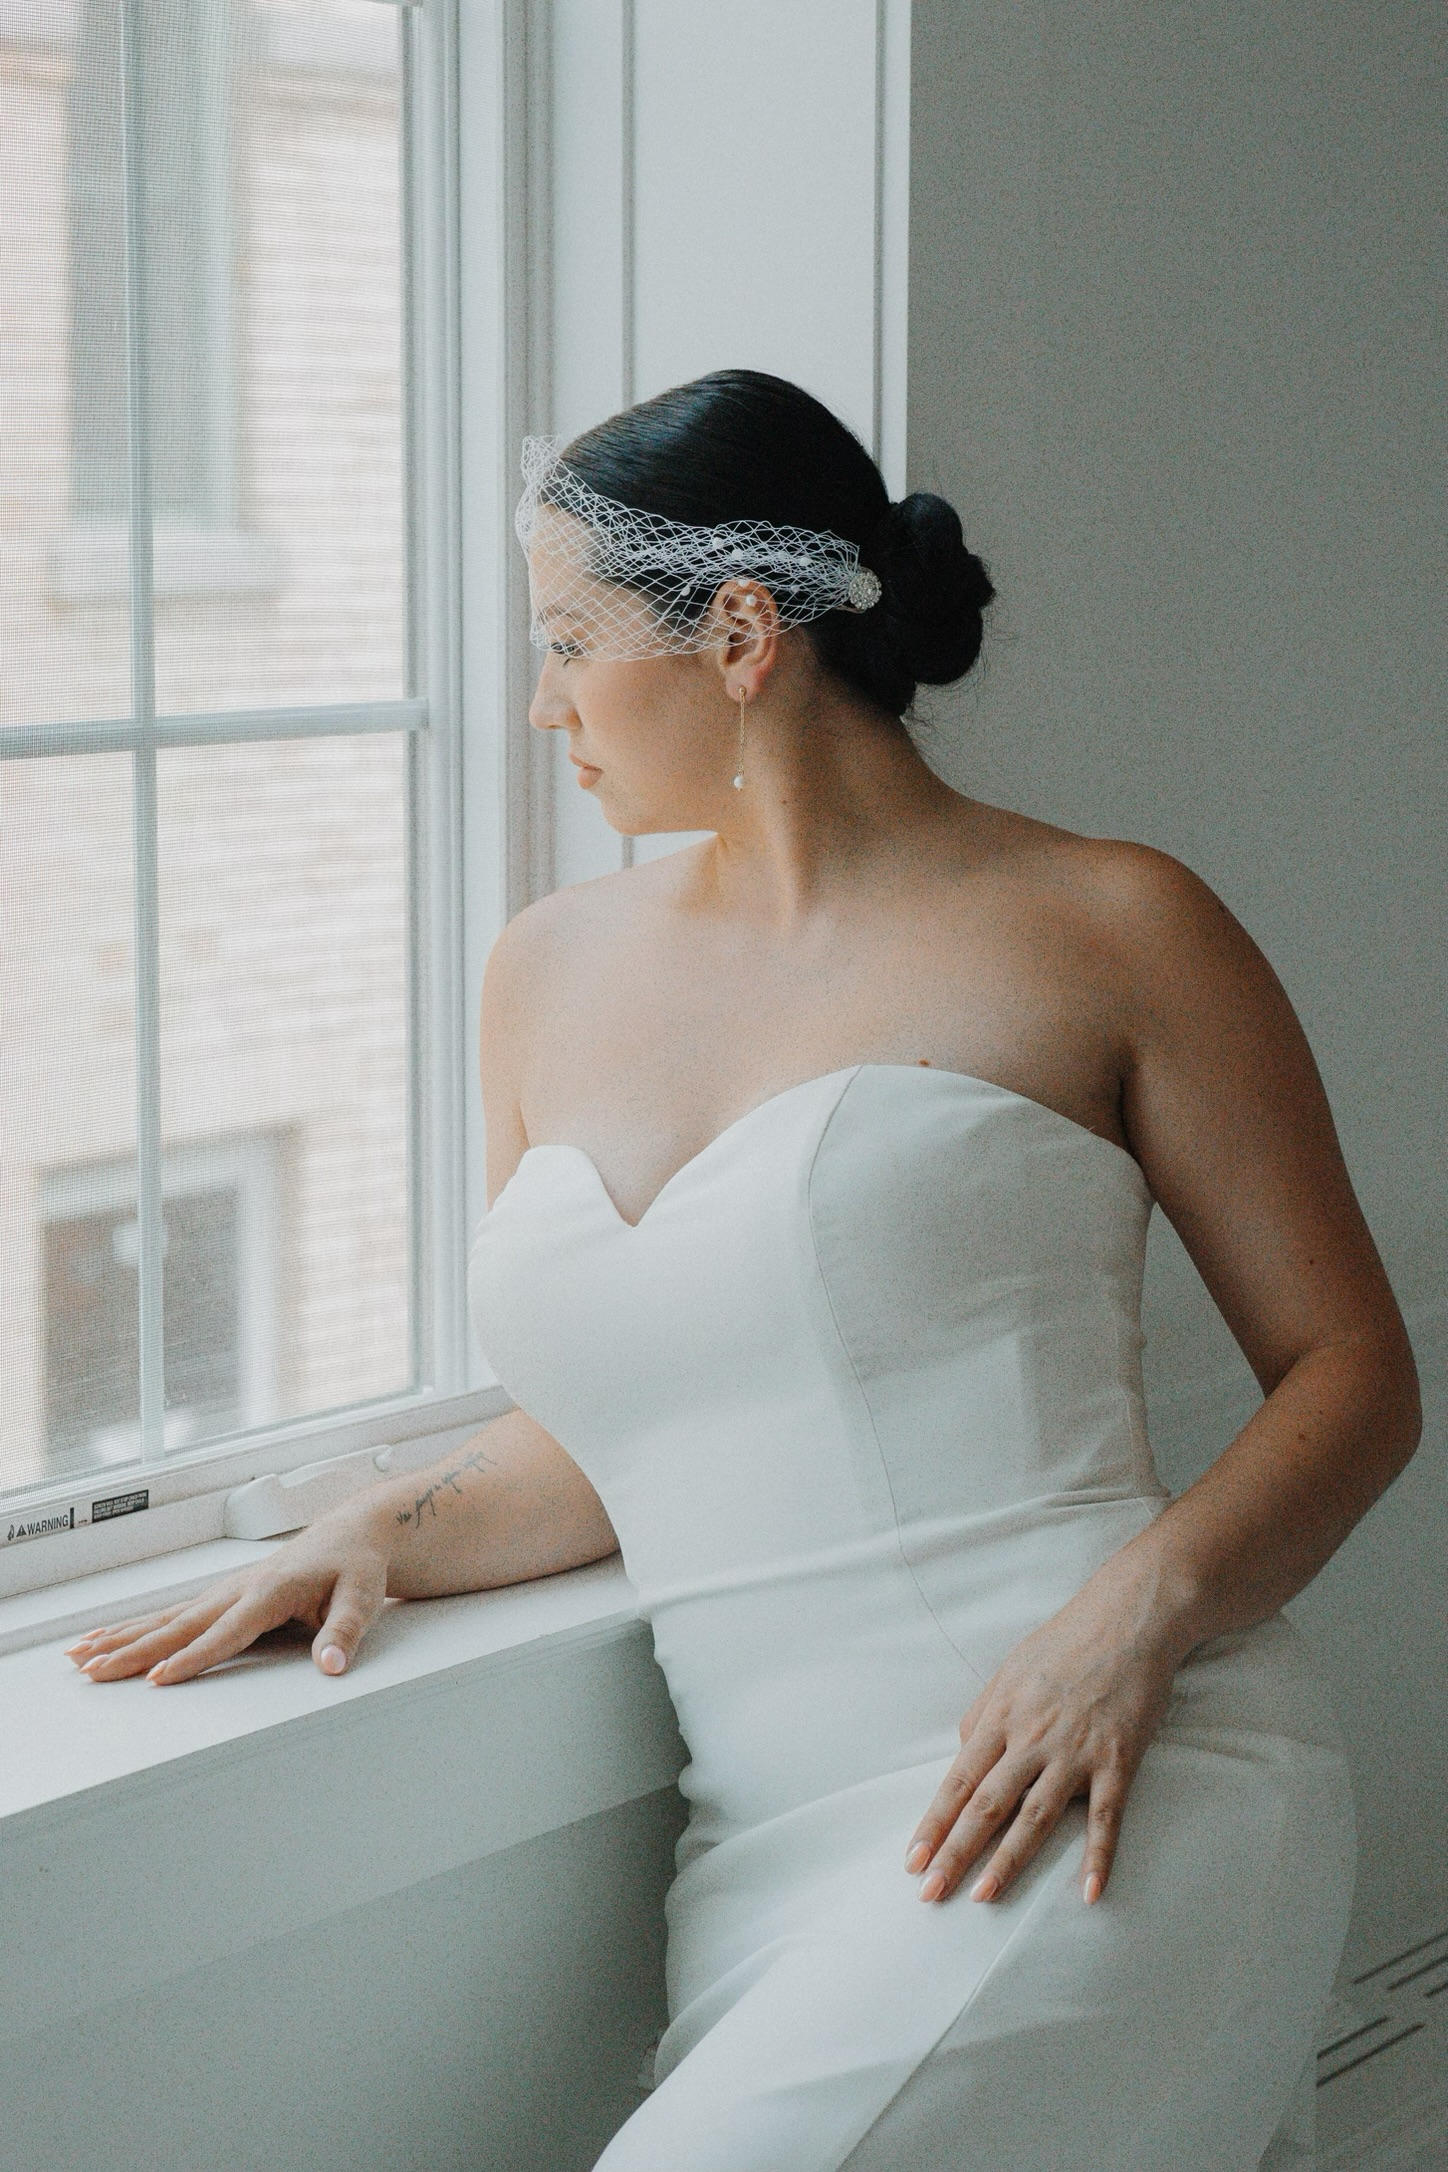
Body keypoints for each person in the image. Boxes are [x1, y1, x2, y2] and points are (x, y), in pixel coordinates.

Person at [69, 371, 1420, 2170]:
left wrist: (1131, 1621)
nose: (542, 704)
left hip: (1111, 1774)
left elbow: (1355, 1374)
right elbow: (616, 1434)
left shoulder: (1116, 924)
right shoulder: (544, 971)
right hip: (770, 1863)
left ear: (735, 631)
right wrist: (373, 1530)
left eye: (568, 641)